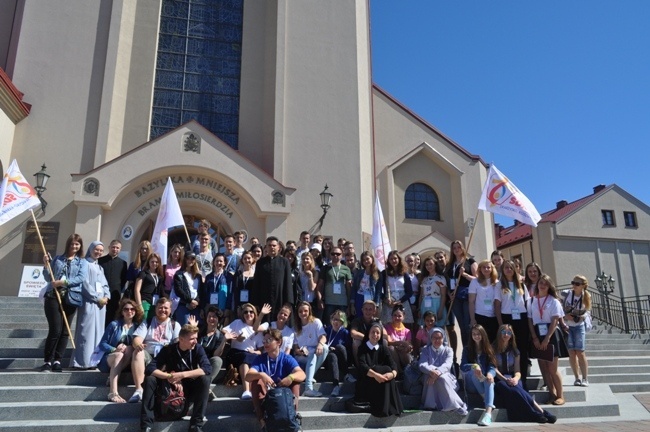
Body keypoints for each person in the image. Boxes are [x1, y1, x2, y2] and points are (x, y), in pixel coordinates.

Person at [140, 324, 212, 432]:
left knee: (205, 379)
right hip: (170, 388)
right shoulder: (169, 350)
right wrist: (169, 376)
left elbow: (207, 369)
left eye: (196, 338)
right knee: (150, 379)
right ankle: (146, 426)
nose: (195, 341)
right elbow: (150, 368)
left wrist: (182, 375)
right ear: (181, 339)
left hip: (189, 387)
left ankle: (196, 425)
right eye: (192, 339)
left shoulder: (197, 348)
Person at [41, 233, 88, 372]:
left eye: (77, 244)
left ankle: (57, 360)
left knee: (65, 331)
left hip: (71, 297)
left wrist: (64, 282)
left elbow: (81, 278)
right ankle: (47, 361)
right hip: (53, 296)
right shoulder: (57, 259)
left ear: (80, 246)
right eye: (72, 243)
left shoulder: (82, 262)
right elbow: (48, 277)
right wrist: (45, 265)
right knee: (55, 329)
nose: (74, 246)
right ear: (68, 244)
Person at [492, 324, 556, 423]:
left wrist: (515, 379)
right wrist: (505, 380)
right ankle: (538, 413)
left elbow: (517, 371)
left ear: (511, 335)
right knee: (516, 391)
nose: (506, 335)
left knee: (518, 388)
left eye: (509, 333)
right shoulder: (492, 349)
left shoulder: (515, 351)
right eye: (503, 332)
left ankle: (540, 413)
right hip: (499, 379)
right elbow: (493, 369)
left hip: (513, 378)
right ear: (499, 333)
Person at [246, 328, 306, 431]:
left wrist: (290, 377)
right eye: (264, 341)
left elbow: (302, 374)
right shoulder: (260, 358)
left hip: (282, 396)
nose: (265, 343)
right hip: (267, 396)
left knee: (296, 382)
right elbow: (248, 376)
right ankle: (262, 421)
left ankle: (291, 418)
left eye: (269, 340)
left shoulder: (287, 358)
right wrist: (261, 374)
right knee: (256, 382)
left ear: (278, 342)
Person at [527, 274, 568, 405]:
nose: (542, 285)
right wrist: (534, 338)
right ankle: (552, 394)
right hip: (537, 335)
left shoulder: (553, 301)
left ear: (549, 285)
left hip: (551, 335)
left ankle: (560, 396)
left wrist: (547, 339)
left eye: (545, 283)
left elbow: (555, 321)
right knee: (543, 368)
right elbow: (530, 320)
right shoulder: (532, 301)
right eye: (541, 283)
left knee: (552, 368)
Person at [131, 297, 182, 403]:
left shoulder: (174, 325)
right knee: (137, 352)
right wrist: (138, 345)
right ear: (155, 309)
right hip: (149, 355)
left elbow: (178, 344)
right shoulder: (148, 322)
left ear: (170, 310)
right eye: (160, 307)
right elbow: (136, 338)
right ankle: (139, 390)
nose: (163, 310)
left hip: (165, 359)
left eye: (165, 308)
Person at [71, 240, 111, 368]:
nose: (98, 252)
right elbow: (84, 284)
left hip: (100, 305)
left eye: (100, 250)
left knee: (98, 333)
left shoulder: (99, 267)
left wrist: (106, 296)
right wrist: (96, 297)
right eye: (96, 249)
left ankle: (94, 361)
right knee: (86, 332)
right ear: (91, 249)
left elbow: (104, 284)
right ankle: (82, 361)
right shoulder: (84, 264)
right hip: (89, 302)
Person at [97, 298, 145, 403]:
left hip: (126, 360)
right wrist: (114, 349)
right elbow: (102, 344)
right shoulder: (114, 325)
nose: (129, 311)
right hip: (110, 358)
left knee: (130, 348)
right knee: (119, 355)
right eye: (126, 309)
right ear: (122, 311)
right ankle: (113, 393)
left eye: (132, 309)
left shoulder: (138, 326)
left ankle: (112, 376)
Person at [355, 321, 403, 417]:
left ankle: (389, 407)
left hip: (383, 379)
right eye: (373, 332)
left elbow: (393, 364)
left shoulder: (383, 348)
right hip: (367, 380)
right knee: (382, 368)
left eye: (378, 333)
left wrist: (392, 374)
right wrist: (376, 375)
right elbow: (362, 366)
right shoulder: (362, 348)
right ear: (368, 333)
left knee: (387, 369)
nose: (375, 335)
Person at [495, 260, 531, 389]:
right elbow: (497, 305)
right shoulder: (499, 285)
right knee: (509, 348)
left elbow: (527, 303)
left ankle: (523, 380)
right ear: (502, 270)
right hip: (507, 318)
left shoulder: (521, 284)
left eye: (510, 268)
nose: (508, 270)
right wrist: (501, 324)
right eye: (506, 268)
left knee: (522, 349)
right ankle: (509, 378)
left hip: (521, 318)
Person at [222, 302, 270, 400]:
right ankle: (246, 390)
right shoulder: (237, 323)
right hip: (236, 353)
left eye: (251, 312)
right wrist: (234, 337)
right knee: (244, 358)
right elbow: (223, 330)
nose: (248, 314)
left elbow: (261, 350)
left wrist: (255, 352)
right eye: (246, 312)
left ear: (255, 313)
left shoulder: (259, 330)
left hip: (250, 354)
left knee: (250, 358)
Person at [189, 306, 236, 401]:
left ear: (218, 319)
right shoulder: (199, 330)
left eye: (214, 317)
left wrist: (224, 340)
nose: (211, 319)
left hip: (207, 363)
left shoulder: (219, 335)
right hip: (195, 360)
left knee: (218, 360)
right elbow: (189, 345)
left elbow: (216, 354)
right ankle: (205, 388)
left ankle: (204, 384)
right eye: (209, 316)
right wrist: (192, 329)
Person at [418, 327, 467, 414]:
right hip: (429, 374)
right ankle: (450, 405)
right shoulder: (425, 350)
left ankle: (451, 405)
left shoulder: (448, 350)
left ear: (443, 338)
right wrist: (431, 371)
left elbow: (447, 365)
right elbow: (422, 364)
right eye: (434, 338)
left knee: (442, 378)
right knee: (434, 378)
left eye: (439, 338)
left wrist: (436, 373)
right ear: (430, 338)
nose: (437, 340)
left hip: (445, 374)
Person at [251, 236, 294, 323]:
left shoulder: (284, 262)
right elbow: (256, 283)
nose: (272, 247)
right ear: (266, 247)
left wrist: (288, 303)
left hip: (280, 299)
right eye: (269, 245)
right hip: (264, 301)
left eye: (274, 245)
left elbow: (288, 283)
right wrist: (255, 303)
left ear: (278, 247)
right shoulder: (260, 262)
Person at [461, 324, 497, 426]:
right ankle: (487, 398)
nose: (476, 336)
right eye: (474, 334)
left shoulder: (489, 349)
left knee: (490, 380)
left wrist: (490, 374)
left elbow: (492, 366)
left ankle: (488, 414)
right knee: (474, 372)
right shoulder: (467, 349)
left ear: (483, 335)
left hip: (483, 381)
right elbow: (463, 366)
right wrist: (474, 365)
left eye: (478, 334)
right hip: (471, 384)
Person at [445, 240, 477, 348]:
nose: (456, 249)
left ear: (462, 248)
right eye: (454, 248)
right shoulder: (450, 265)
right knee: (462, 326)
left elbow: (477, 279)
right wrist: (449, 293)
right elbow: (447, 281)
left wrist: (465, 274)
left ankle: (472, 349)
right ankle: (466, 350)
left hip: (467, 296)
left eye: (458, 247)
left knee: (468, 325)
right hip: (455, 297)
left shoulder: (470, 261)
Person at [292, 301, 327, 397]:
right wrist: (298, 351)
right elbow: (295, 347)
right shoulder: (295, 327)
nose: (303, 313)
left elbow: (323, 336)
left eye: (305, 311)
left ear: (309, 311)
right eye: (300, 311)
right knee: (312, 355)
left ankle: (309, 379)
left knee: (325, 347)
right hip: (301, 356)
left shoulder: (316, 322)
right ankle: (309, 387)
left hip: (314, 352)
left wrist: (320, 344)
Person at [562, 274, 592, 387]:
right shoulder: (566, 294)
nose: (574, 285)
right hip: (568, 325)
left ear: (583, 286)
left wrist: (582, 317)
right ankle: (576, 378)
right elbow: (559, 306)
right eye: (573, 282)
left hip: (579, 325)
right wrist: (565, 316)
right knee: (571, 353)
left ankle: (585, 378)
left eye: (577, 284)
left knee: (580, 352)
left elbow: (588, 311)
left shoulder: (586, 296)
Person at [317, 247, 353, 326]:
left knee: (343, 326)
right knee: (329, 326)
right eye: (333, 254)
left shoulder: (346, 269)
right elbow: (319, 286)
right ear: (330, 255)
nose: (335, 256)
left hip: (343, 303)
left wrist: (349, 305)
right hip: (329, 303)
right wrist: (320, 300)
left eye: (338, 254)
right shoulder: (325, 268)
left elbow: (348, 288)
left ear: (341, 255)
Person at [378, 250, 414, 326]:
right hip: (389, 302)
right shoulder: (385, 273)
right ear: (388, 261)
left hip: (402, 302)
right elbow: (378, 289)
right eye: (391, 259)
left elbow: (410, 292)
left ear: (399, 259)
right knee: (389, 325)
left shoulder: (404, 273)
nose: (393, 260)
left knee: (403, 325)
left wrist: (399, 301)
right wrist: (385, 299)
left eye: (395, 258)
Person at [469, 260, 499, 342]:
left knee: (492, 341)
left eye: (488, 267)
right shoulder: (474, 282)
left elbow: (498, 302)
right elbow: (471, 302)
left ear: (492, 269)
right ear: (480, 269)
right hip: (479, 315)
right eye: (484, 267)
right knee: (481, 342)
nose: (486, 269)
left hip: (493, 316)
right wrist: (472, 319)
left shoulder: (497, 283)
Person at [99, 239, 127, 328]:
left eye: (117, 248)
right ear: (109, 248)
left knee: (112, 317)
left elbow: (123, 279)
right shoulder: (100, 261)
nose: (115, 249)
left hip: (115, 294)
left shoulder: (123, 263)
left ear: (120, 249)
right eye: (113, 247)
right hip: (101, 294)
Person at [323, 309, 351, 396]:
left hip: (342, 359)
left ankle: (346, 374)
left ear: (342, 322)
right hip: (329, 359)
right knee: (332, 356)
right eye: (334, 319)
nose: (335, 322)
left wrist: (336, 348)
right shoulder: (327, 330)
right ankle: (336, 386)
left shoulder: (345, 332)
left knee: (340, 347)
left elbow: (348, 348)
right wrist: (330, 349)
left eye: (338, 320)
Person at [200, 253, 233, 322]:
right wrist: (203, 308)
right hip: (210, 308)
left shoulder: (228, 276)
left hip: (222, 308)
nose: (218, 263)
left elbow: (230, 294)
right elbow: (204, 293)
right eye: (217, 261)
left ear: (224, 263)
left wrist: (228, 308)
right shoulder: (209, 277)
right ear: (214, 262)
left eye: (221, 261)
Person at [173, 251, 203, 326]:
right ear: (185, 260)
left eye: (192, 259)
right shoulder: (179, 274)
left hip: (196, 306)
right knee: (184, 327)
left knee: (198, 327)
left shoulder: (198, 276)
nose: (190, 261)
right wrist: (189, 301)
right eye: (188, 258)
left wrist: (197, 302)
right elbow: (178, 290)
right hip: (183, 305)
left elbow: (201, 291)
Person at [350, 300, 382, 367]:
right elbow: (353, 333)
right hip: (363, 343)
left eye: (370, 309)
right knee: (356, 343)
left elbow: (384, 335)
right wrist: (369, 338)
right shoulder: (357, 320)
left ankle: (379, 365)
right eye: (366, 309)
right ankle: (359, 367)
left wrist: (373, 339)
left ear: (374, 311)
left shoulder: (377, 321)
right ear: (362, 310)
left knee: (384, 342)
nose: (368, 311)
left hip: (375, 343)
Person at [134, 253, 165, 320]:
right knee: (144, 322)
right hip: (144, 302)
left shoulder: (159, 276)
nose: (154, 263)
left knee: (152, 323)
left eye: (156, 262)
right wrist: (139, 305)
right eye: (152, 262)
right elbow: (137, 290)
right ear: (148, 262)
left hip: (155, 303)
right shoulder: (143, 273)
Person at [350, 251, 381, 319]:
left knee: (370, 319)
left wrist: (377, 305)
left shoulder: (377, 273)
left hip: (371, 299)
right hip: (359, 298)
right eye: (363, 260)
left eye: (367, 259)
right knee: (359, 318)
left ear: (372, 259)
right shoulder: (359, 273)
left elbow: (378, 291)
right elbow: (354, 288)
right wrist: (352, 304)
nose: (366, 261)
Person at [418, 256, 447, 326]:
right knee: (425, 327)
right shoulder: (424, 279)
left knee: (437, 326)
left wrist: (440, 310)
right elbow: (421, 295)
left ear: (435, 264)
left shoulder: (440, 278)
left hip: (436, 304)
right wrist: (419, 309)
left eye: (431, 264)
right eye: (427, 265)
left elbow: (443, 295)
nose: (429, 266)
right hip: (425, 304)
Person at [384, 304, 413, 372]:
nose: (397, 318)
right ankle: (398, 371)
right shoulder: (387, 327)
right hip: (393, 354)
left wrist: (406, 347)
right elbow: (389, 342)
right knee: (391, 348)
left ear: (403, 317)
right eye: (395, 315)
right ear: (392, 316)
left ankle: (407, 371)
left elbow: (409, 344)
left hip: (403, 354)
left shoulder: (407, 331)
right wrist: (401, 343)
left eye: (399, 316)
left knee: (406, 349)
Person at [232, 250, 255, 316]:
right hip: (240, 306)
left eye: (249, 258)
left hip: (251, 306)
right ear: (242, 260)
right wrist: (237, 306)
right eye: (245, 258)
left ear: (253, 259)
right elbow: (235, 291)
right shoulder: (238, 274)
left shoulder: (255, 274)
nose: (247, 260)